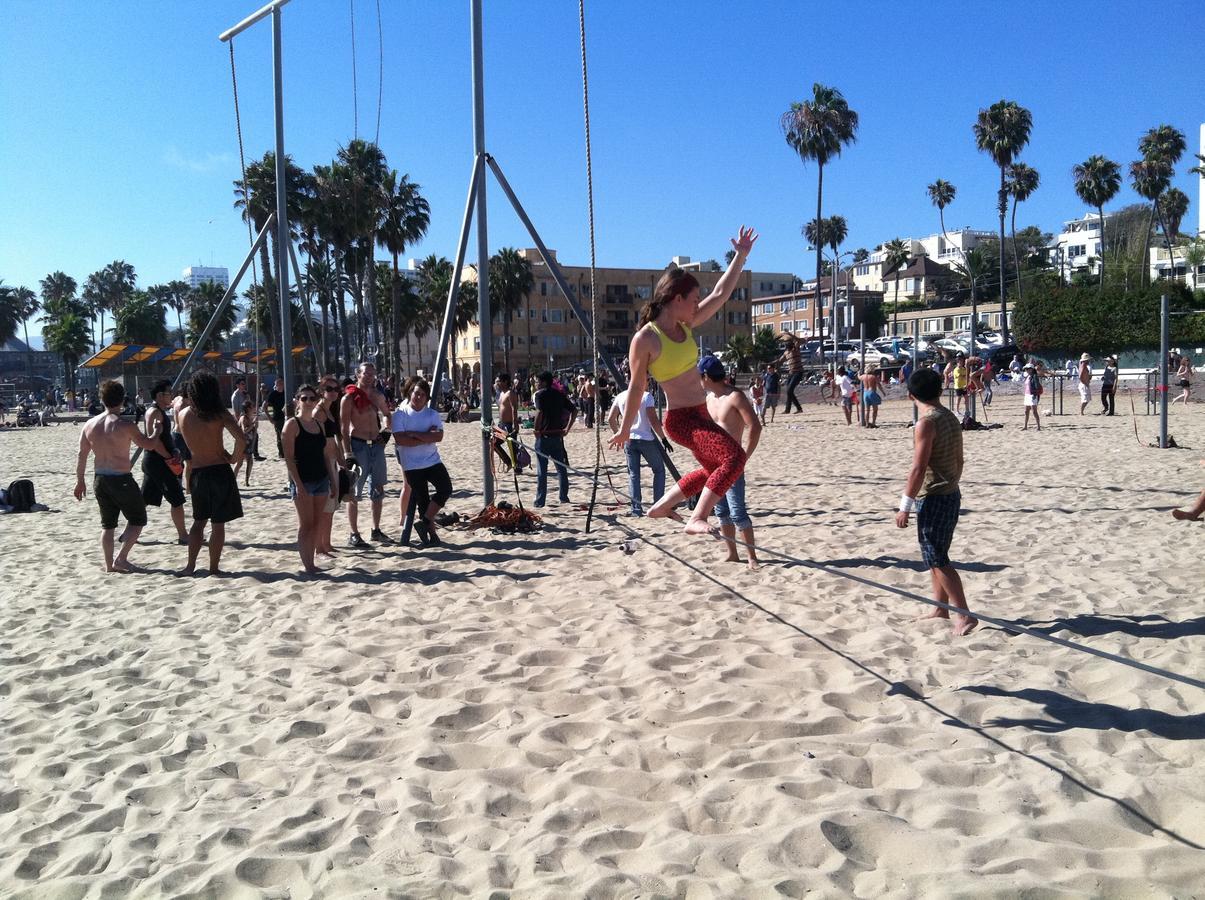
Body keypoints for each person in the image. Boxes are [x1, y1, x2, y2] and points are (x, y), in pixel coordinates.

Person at [608, 226, 757, 536]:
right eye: (693, 299)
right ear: (677, 299)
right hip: (681, 419)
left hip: (700, 413)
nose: (696, 304)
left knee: (713, 470)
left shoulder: (685, 324)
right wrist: (624, 428)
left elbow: (720, 293)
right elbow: (637, 387)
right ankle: (697, 517)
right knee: (734, 458)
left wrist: (740, 256)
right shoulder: (646, 338)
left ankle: (662, 506)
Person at [895, 367, 976, 636]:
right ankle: (939, 607)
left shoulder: (926, 422)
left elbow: (918, 468)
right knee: (933, 555)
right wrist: (953, 481)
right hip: (951, 492)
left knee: (938, 558)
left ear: (910, 396)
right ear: (940, 390)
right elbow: (960, 458)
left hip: (935, 496)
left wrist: (904, 505)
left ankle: (963, 614)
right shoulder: (950, 416)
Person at [74, 379, 174, 572]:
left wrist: (80, 481)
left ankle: (108, 565)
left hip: (100, 478)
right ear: (122, 401)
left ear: (102, 400)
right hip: (121, 478)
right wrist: (156, 432)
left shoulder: (89, 424)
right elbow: (149, 445)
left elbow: (82, 454)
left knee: (108, 525)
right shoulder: (124, 425)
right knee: (138, 519)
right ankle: (121, 558)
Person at [178, 371, 246, 576]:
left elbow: (185, 443)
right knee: (218, 524)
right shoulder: (219, 414)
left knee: (199, 521)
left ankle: (190, 566)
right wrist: (233, 458)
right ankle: (213, 567)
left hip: (197, 471)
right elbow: (241, 439)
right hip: (219, 469)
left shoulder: (182, 414)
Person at [699, 355, 762, 569]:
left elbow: (755, 426)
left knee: (737, 511)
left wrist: (745, 456)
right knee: (721, 511)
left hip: (733, 461)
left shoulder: (734, 396)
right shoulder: (708, 399)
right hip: (714, 463)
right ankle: (732, 553)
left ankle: (752, 557)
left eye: (700, 376)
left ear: (706, 376)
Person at [282, 384, 339, 575]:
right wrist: (297, 484)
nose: (308, 402)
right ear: (297, 401)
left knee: (317, 523)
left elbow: (325, 454)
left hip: (321, 478)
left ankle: (312, 563)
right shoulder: (292, 424)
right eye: (304, 398)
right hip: (303, 480)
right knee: (305, 524)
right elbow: (289, 458)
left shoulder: (319, 425)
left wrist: (332, 480)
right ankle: (307, 565)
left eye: (312, 398)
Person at [391, 377, 451, 546]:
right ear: (411, 393)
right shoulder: (400, 415)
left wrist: (414, 434)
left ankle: (424, 522)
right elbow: (401, 440)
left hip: (432, 461)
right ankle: (432, 537)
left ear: (427, 398)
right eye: (416, 393)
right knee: (422, 500)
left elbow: (438, 436)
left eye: (422, 395)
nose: (418, 397)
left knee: (445, 488)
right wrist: (426, 436)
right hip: (412, 465)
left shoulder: (432, 414)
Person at [341, 362, 393, 547]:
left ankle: (376, 530)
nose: (369, 377)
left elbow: (387, 414)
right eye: (366, 374)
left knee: (378, 489)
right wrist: (348, 453)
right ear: (358, 375)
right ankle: (353, 533)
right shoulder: (349, 398)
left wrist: (386, 432)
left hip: (376, 447)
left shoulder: (378, 395)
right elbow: (344, 428)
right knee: (354, 491)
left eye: (372, 374)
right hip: (358, 445)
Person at [608, 377, 671, 517]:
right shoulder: (646, 396)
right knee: (659, 470)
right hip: (646, 439)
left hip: (629, 439)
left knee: (633, 474)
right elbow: (653, 420)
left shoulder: (621, 396)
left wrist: (618, 434)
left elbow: (611, 419)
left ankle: (636, 508)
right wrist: (664, 439)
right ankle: (658, 503)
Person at [138, 379, 189, 545]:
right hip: (157, 461)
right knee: (177, 499)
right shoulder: (154, 412)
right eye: (168, 393)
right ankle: (183, 535)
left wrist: (173, 450)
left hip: (156, 461)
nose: (171, 396)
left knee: (144, 500)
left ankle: (128, 535)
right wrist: (169, 457)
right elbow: (155, 441)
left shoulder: (157, 410)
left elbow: (164, 438)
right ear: (160, 395)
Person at [315, 374, 348, 557]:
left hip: (333, 461)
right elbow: (318, 441)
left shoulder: (330, 410)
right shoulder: (319, 412)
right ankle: (320, 546)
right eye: (329, 389)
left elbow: (335, 439)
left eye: (336, 389)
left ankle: (326, 544)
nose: (334, 392)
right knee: (325, 507)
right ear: (321, 391)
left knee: (331, 506)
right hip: (324, 462)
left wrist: (342, 457)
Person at [532, 370, 575, 507]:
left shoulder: (540, 395)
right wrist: (567, 428)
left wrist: (536, 430)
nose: (536, 384)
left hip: (544, 436)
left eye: (538, 381)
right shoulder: (559, 394)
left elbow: (539, 412)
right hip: (557, 436)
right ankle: (563, 497)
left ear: (544, 382)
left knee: (542, 471)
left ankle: (540, 501)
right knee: (561, 469)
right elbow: (574, 410)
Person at [775, 335, 804, 414]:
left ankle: (797, 408)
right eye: (786, 343)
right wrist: (768, 364)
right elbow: (779, 361)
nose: (787, 344)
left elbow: (798, 339)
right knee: (789, 391)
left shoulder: (795, 348)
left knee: (789, 390)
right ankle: (789, 409)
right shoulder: (786, 353)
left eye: (788, 343)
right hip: (791, 373)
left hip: (798, 372)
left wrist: (790, 334)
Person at [232, 401, 257, 486]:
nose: (254, 407)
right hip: (242, 443)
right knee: (239, 463)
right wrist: (253, 424)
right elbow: (244, 431)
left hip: (248, 443)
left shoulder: (251, 417)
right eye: (252, 406)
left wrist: (255, 425)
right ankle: (233, 480)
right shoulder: (243, 418)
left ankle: (246, 481)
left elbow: (253, 430)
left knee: (250, 461)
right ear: (248, 408)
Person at [263, 377, 287, 457]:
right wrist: (270, 418)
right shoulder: (273, 394)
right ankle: (281, 454)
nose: (280, 385)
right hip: (277, 418)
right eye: (278, 384)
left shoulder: (286, 393)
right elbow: (264, 406)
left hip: (287, 418)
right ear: (276, 385)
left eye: (281, 383)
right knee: (280, 437)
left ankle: (288, 452)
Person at [1022, 362, 1043, 430]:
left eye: (1028, 369)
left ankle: (1038, 426)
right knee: (1026, 411)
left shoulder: (1034, 376)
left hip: (1032, 395)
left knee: (1034, 411)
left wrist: (1035, 394)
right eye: (1026, 369)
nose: (1027, 370)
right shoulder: (1028, 376)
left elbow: (1037, 386)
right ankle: (1025, 426)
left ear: (1031, 369)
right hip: (1027, 395)